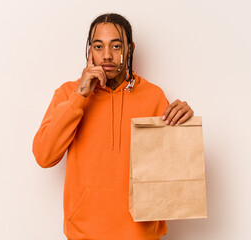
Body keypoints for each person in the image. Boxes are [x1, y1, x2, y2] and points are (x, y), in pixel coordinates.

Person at [32, 13, 194, 240]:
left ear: (130, 49)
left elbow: (174, 173)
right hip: (84, 234)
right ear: (90, 51)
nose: (107, 55)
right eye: (98, 46)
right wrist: (80, 96)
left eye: (116, 46)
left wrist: (184, 127)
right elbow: (44, 156)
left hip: (142, 235)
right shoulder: (68, 94)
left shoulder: (153, 96)